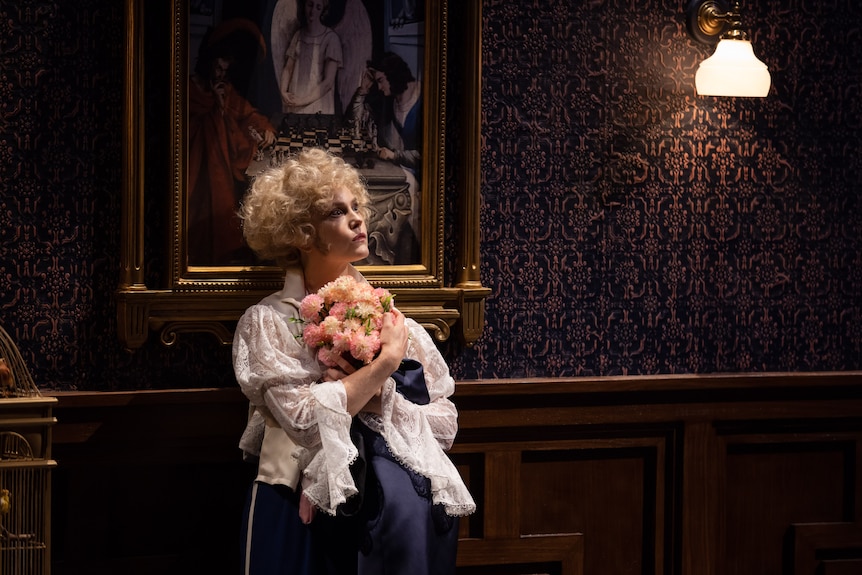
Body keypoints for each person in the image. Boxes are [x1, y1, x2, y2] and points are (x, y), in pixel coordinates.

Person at [233, 148, 475, 574]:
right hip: (292, 504)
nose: (358, 218)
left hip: (391, 508)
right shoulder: (268, 322)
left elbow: (445, 424)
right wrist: (383, 366)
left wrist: (380, 399)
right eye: (337, 212)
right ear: (301, 233)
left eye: (357, 207)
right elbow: (305, 422)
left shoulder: (396, 324)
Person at [188, 21, 276, 265]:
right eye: (217, 68)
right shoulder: (188, 91)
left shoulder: (226, 90)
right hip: (196, 179)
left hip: (222, 177)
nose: (221, 74)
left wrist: (264, 128)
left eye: (225, 70)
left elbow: (249, 115)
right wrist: (218, 108)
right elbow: (202, 133)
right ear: (208, 61)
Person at [350, 51, 422, 173]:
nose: (379, 87)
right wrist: (363, 90)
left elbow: (428, 155)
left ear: (393, 75)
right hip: (394, 173)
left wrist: (394, 155)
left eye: (380, 80)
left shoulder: (424, 99)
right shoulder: (387, 101)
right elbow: (354, 122)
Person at [279, 0, 343, 115]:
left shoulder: (331, 38)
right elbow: (288, 68)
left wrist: (302, 101)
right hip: (294, 102)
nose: (313, 10)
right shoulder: (298, 35)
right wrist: (283, 91)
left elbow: (328, 82)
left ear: (323, 10)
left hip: (317, 105)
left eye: (318, 7)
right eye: (310, 5)